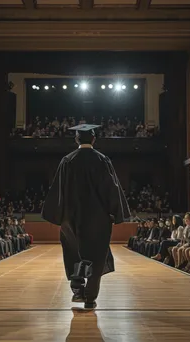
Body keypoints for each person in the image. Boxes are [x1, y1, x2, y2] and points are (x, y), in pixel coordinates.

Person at [42, 124, 130, 310]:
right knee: (96, 257)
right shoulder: (102, 160)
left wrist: (59, 215)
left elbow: (57, 191)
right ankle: (90, 298)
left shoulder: (67, 161)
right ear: (93, 139)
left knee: (74, 253)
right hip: (98, 219)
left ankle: (77, 290)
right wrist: (116, 212)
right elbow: (111, 188)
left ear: (76, 140)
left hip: (71, 218)